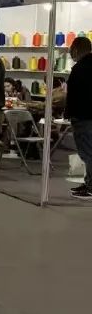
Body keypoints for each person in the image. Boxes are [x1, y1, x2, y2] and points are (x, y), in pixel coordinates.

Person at [66, 36, 92, 199]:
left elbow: (75, 95)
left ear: (75, 50)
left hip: (84, 116)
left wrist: (69, 113)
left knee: (88, 152)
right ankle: (89, 183)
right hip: (87, 115)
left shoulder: (81, 68)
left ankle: (91, 186)